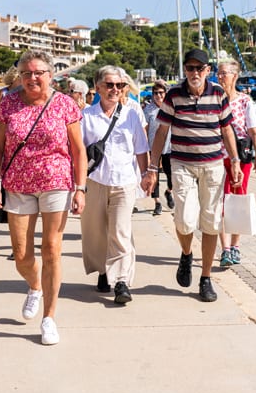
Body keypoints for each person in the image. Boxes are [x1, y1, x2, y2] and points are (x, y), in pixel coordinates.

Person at [0, 50, 87, 345]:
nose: (32, 78)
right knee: (21, 255)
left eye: (38, 72)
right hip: (18, 184)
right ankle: (34, 285)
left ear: (50, 75)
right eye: (26, 73)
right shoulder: (9, 103)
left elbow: (78, 150)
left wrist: (80, 188)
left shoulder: (65, 105)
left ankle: (49, 317)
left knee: (52, 248)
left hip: (56, 181)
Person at [141, 49, 242, 303]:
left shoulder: (218, 93)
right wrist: (153, 168)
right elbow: (162, 132)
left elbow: (227, 129)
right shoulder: (174, 94)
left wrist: (236, 161)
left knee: (211, 222)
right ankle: (186, 253)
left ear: (208, 70)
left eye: (199, 68)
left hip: (213, 165)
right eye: (190, 68)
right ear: (184, 70)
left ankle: (205, 278)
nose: (194, 73)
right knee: (184, 221)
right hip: (182, 164)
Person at [80, 66, 150, 304]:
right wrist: (76, 186)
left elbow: (141, 148)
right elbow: (78, 153)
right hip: (94, 181)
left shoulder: (131, 114)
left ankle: (121, 281)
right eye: (109, 85)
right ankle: (103, 270)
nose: (114, 90)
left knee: (120, 231)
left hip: (124, 181)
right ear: (97, 86)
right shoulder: (86, 116)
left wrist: (147, 174)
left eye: (119, 85)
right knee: (96, 232)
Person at [215, 59, 256, 267]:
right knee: (220, 203)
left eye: (224, 73)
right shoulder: (216, 100)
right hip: (219, 158)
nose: (220, 77)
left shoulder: (244, 101)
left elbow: (253, 130)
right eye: (218, 73)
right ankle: (225, 249)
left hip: (241, 159)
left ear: (234, 76)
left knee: (239, 202)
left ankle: (235, 246)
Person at [142, 79, 174, 215]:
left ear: (166, 93)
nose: (158, 95)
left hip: (170, 147)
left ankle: (169, 191)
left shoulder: (171, 107)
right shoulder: (148, 110)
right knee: (153, 175)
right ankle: (157, 203)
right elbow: (145, 128)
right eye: (155, 93)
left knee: (171, 175)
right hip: (152, 147)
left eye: (161, 92)